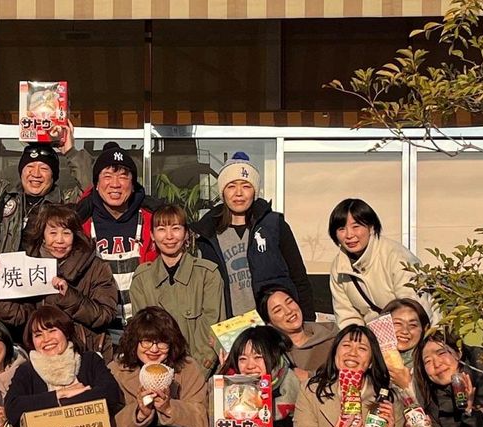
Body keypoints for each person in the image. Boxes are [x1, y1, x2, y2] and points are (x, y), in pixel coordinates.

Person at [0, 93, 92, 289]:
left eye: (44, 168)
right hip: (1, 291)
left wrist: (70, 152)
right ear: (21, 171)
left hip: (48, 293)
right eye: (30, 167)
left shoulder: (65, 203)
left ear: (54, 175)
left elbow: (89, 190)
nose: (36, 174)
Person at [191, 152, 314, 321]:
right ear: (223, 192)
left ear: (255, 191)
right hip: (230, 326)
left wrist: (308, 322)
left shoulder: (273, 225)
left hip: (273, 323)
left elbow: (299, 278)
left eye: (246, 186)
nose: (239, 193)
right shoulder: (208, 235)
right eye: (231, 186)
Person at [0, 205, 117, 361]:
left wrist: (69, 297)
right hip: (42, 354)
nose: (59, 240)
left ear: (75, 235)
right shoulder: (28, 265)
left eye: (66, 233)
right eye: (53, 233)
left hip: (86, 352)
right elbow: (17, 315)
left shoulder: (96, 267)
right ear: (43, 235)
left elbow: (105, 315)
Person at [110, 307, 208, 427]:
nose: (154, 349)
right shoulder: (116, 371)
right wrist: (139, 413)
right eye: (146, 341)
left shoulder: (187, 368)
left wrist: (169, 408)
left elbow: (203, 423)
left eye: (162, 342)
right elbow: (110, 425)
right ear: (135, 342)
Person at [76, 143, 161, 340]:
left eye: (123, 176)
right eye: (107, 176)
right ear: (96, 183)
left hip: (146, 331)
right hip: (97, 331)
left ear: (133, 183)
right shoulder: (79, 224)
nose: (115, 184)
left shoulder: (153, 220)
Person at [129, 205, 224, 376]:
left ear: (186, 233)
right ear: (152, 235)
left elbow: (212, 329)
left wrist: (195, 374)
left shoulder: (207, 274)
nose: (169, 236)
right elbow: (143, 334)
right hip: (156, 373)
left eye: (176, 228)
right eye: (161, 229)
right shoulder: (142, 279)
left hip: (200, 372)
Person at [218, 326, 302, 427]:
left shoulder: (290, 383)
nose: (250, 365)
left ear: (274, 356)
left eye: (258, 357)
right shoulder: (228, 385)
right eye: (243, 359)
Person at [329, 198, 434, 328]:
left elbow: (414, 310)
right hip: (375, 336)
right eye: (341, 229)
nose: (349, 235)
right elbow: (347, 317)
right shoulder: (339, 267)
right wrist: (357, 338)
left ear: (371, 227)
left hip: (413, 332)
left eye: (356, 226)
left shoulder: (397, 257)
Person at [258, 284, 337, 379]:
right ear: (269, 323)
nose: (288, 311)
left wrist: (309, 376)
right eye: (278, 310)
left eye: (289, 302)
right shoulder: (273, 354)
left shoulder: (333, 336)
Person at [382, 297, 430, 390]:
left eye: (413, 325)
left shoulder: (429, 364)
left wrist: (407, 384)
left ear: (425, 329)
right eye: (397, 323)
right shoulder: (371, 358)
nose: (405, 331)